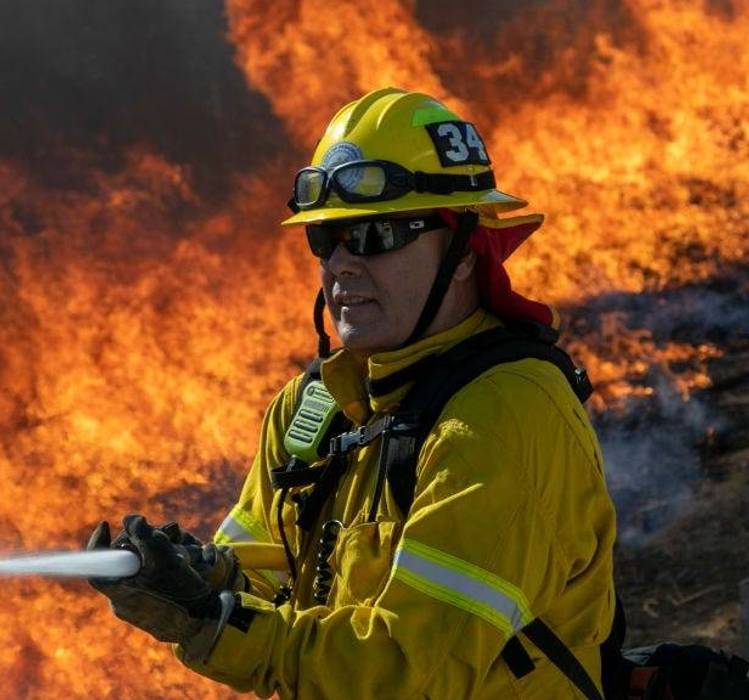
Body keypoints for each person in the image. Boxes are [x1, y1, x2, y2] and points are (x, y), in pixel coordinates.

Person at [87, 87, 618, 699]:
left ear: (466, 249)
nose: (342, 263)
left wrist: (216, 622)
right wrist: (197, 584)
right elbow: (261, 579)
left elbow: (405, 672)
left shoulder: (506, 417)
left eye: (376, 235)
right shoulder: (312, 409)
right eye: (327, 239)